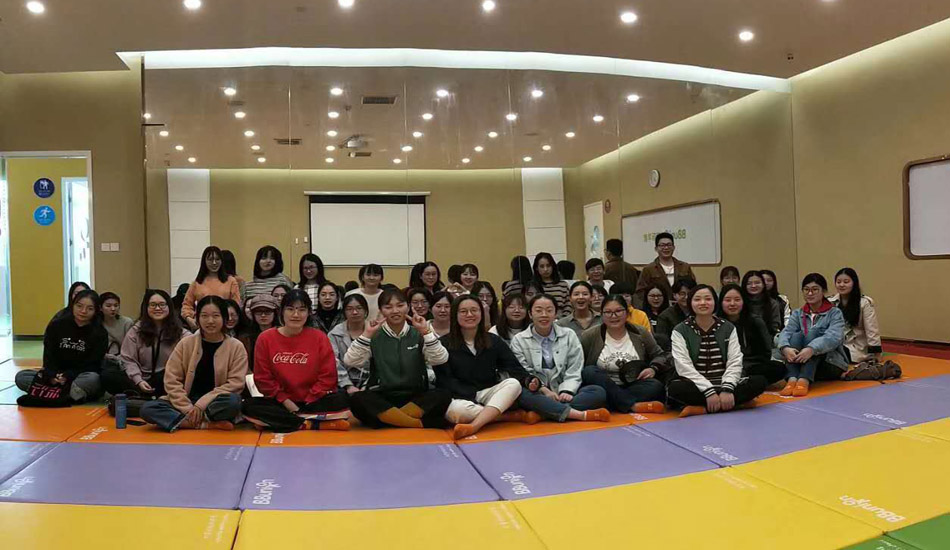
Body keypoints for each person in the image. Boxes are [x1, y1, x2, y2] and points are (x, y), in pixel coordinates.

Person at [242, 290, 351, 432]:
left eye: (301, 310)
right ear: (281, 311)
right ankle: (312, 424)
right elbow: (263, 378)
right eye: (290, 309)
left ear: (309, 313)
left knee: (343, 399)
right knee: (248, 406)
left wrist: (310, 399)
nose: (296, 315)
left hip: (313, 401)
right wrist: (286, 402)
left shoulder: (319, 337)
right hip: (281, 402)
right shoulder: (265, 338)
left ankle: (281, 422)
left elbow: (328, 376)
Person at [438, 295, 543, 439]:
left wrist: (529, 380)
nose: (469, 314)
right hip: (460, 397)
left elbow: (514, 367)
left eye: (474, 310)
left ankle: (474, 425)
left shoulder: (493, 340)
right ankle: (509, 416)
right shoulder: (443, 343)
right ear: (455, 315)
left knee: (513, 384)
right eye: (463, 311)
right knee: (457, 412)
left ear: (481, 313)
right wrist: (470, 395)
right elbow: (444, 380)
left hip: (488, 392)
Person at [344, 289, 452, 429]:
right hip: (383, 396)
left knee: (443, 394)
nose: (395, 311)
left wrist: (425, 332)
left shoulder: (418, 333)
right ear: (381, 310)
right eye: (388, 307)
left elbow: (440, 359)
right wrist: (367, 334)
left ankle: (389, 420)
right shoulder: (374, 335)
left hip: (416, 396)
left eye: (400, 305)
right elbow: (350, 361)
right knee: (357, 399)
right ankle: (417, 423)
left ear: (408, 307)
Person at [140, 296, 247, 431]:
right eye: (204, 316)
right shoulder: (186, 343)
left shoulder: (236, 347)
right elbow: (172, 379)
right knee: (148, 409)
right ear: (197, 318)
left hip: (213, 404)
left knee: (233, 402)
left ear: (225, 318)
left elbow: (235, 384)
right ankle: (204, 424)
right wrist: (187, 408)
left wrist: (201, 405)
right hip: (186, 400)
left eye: (216, 316)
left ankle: (180, 421)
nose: (210, 321)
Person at [669, 285, 767, 417]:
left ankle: (703, 408)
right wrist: (708, 391)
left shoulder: (727, 327)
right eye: (697, 299)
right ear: (690, 303)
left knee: (759, 381)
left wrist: (727, 388)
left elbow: (735, 360)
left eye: (708, 299)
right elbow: (683, 366)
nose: (703, 303)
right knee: (675, 389)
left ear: (715, 302)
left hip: (724, 382)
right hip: (696, 385)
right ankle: (736, 404)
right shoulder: (680, 330)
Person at [509, 294, 610, 423]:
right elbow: (524, 372)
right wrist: (544, 391)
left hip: (564, 393)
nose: (544, 315)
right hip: (537, 393)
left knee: (598, 392)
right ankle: (578, 414)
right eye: (538, 310)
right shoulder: (519, 340)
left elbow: (575, 367)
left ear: (556, 314)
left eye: (549, 310)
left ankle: (544, 413)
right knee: (521, 394)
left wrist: (567, 390)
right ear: (530, 314)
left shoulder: (568, 335)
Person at [580, 295, 669, 414]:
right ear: (602, 315)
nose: (613, 316)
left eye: (618, 311)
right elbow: (579, 364)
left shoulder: (640, 332)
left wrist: (653, 368)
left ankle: (615, 402)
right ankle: (632, 405)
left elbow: (661, 355)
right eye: (608, 312)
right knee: (589, 371)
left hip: (632, 384)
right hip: (603, 385)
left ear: (627, 313)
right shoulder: (590, 335)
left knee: (655, 386)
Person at [16, 289, 107, 403]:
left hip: (78, 376)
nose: (83, 311)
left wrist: (67, 376)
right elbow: (49, 356)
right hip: (55, 376)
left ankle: (47, 394)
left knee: (93, 379)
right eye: (79, 306)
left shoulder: (100, 333)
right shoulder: (56, 325)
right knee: (21, 377)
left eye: (90, 308)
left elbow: (93, 364)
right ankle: (67, 396)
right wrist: (52, 375)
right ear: (72, 305)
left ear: (96, 310)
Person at [101, 290, 189, 397]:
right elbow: (128, 359)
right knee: (108, 375)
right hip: (140, 379)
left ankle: (143, 397)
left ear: (169, 307)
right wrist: (139, 380)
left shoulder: (180, 332)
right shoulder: (136, 330)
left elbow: (190, 344)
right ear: (146, 308)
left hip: (166, 378)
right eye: (153, 305)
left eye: (162, 304)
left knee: (166, 376)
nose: (157, 308)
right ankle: (142, 395)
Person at [778, 273, 848, 397]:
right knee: (796, 336)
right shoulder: (798, 313)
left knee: (813, 333)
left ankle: (804, 380)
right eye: (806, 290)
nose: (810, 293)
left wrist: (811, 349)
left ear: (823, 291)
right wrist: (785, 347)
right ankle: (792, 379)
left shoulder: (834, 313)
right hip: (800, 362)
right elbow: (787, 331)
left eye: (815, 289)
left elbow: (833, 337)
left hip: (829, 363)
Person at [718, 284, 785, 384]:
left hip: (751, 366)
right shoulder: (717, 323)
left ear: (743, 301)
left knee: (778, 368)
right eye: (727, 300)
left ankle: (744, 380)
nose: (732, 304)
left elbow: (766, 352)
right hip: (724, 367)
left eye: (737, 300)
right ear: (721, 302)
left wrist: (744, 367)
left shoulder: (755, 321)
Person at [181, 246, 242, 331]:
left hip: (225, 326)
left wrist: (229, 318)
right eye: (210, 259)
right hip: (202, 326)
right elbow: (186, 305)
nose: (214, 263)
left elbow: (236, 305)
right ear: (204, 261)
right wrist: (189, 318)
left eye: (217, 259)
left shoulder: (231, 281)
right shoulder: (197, 283)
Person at [829, 268, 882, 364]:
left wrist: (876, 354)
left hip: (856, 348)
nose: (841, 285)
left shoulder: (864, 302)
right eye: (838, 282)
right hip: (835, 344)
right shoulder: (830, 302)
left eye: (846, 282)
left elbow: (871, 329)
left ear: (854, 283)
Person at [635, 233, 696, 305]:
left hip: (682, 305)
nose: (666, 248)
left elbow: (694, 288)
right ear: (656, 248)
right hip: (659, 307)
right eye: (662, 245)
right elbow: (640, 291)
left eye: (669, 245)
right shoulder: (648, 269)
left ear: (673, 247)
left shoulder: (685, 267)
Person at [329, 294, 371, 394]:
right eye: (349, 309)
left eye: (359, 308)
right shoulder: (335, 333)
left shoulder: (374, 331)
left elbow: (379, 363)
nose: (355, 312)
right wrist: (348, 385)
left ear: (366, 310)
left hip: (370, 382)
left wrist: (367, 385)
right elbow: (333, 361)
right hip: (341, 383)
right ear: (344, 312)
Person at [239, 295, 279, 372]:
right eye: (258, 312)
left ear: (275, 313)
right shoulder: (245, 338)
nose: (263, 315)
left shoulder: (283, 334)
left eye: (267, 311)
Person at [655, 278, 696, 351]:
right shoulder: (665, 316)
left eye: (690, 294)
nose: (686, 297)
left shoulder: (699, 312)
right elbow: (663, 342)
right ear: (674, 295)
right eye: (682, 294)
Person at [741, 270, 783, 337]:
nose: (753, 286)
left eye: (757, 283)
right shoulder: (741, 302)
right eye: (749, 283)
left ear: (763, 285)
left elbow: (775, 327)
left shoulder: (772, 303)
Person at [533, 252, 571, 317]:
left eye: (548, 266)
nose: (545, 269)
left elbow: (569, 305)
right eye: (542, 266)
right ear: (536, 268)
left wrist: (563, 319)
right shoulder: (533, 286)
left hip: (561, 319)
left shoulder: (563, 285)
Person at [100, 292, 133, 359]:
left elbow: (131, 347)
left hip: (124, 358)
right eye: (108, 306)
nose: (113, 309)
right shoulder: (97, 323)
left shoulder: (127, 323)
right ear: (100, 308)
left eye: (116, 305)